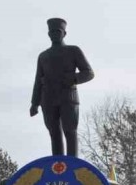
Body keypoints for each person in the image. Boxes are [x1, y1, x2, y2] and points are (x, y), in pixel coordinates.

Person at [29, 17, 95, 157]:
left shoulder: (73, 51)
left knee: (70, 130)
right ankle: (58, 164)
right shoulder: (43, 56)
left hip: (68, 97)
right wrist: (34, 103)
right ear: (48, 34)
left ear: (64, 33)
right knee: (54, 132)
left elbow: (89, 73)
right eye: (52, 32)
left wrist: (72, 79)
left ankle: (72, 163)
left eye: (58, 31)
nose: (54, 34)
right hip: (48, 99)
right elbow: (37, 81)